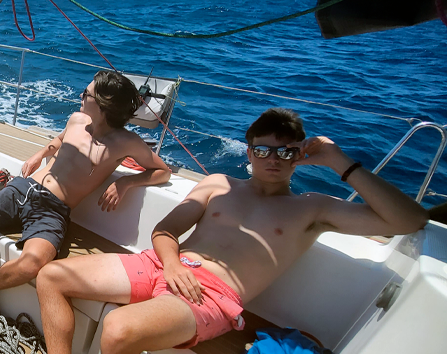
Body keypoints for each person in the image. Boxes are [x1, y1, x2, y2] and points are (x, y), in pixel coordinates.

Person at [35, 108, 429, 354]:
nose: (273, 159)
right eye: (263, 150)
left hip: (212, 295)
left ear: (299, 156)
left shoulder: (312, 208)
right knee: (52, 276)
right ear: (249, 152)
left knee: (119, 330)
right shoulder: (217, 184)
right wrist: (172, 265)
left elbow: (408, 220)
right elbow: (167, 229)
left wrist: (338, 160)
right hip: (163, 264)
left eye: (285, 151)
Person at [0, 70, 172, 333]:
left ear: (104, 105)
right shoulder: (77, 119)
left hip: (53, 210)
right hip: (23, 189)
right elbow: (59, 140)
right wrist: (41, 154)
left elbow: (163, 171)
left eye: (86, 94)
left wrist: (125, 183)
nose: (80, 96)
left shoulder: (126, 142)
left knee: (33, 263)